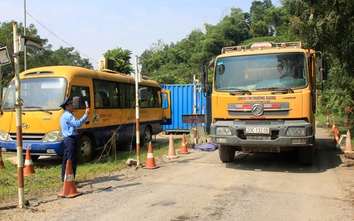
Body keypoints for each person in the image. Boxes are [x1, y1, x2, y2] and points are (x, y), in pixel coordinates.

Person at [59, 97, 90, 182]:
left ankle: (65, 179)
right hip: (70, 140)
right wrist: (86, 115)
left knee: (66, 160)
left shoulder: (63, 116)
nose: (73, 105)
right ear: (67, 106)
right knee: (72, 160)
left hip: (66, 140)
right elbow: (78, 124)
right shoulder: (68, 116)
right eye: (71, 104)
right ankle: (70, 180)